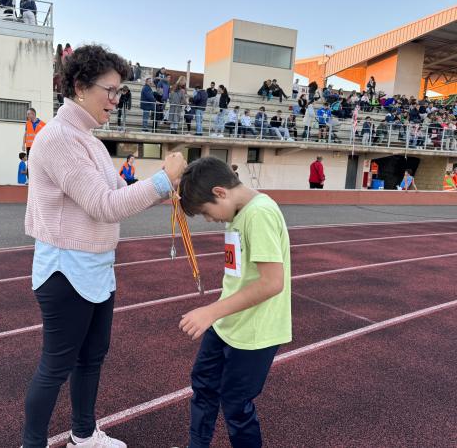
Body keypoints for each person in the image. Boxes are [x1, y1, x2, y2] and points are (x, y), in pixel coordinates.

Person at [22, 44, 187, 448]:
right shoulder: (59, 138)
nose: (116, 101)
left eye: (120, 93)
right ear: (80, 87)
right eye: (110, 91)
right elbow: (104, 205)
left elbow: (120, 191)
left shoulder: (91, 141)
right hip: (65, 269)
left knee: (92, 356)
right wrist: (163, 181)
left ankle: (83, 434)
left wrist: (167, 181)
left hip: (97, 265)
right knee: (56, 366)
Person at [178, 156, 291, 448]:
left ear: (220, 192)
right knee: (203, 387)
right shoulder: (237, 212)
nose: (209, 219)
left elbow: (271, 282)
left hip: (255, 331)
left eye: (206, 211)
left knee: (235, 404)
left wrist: (210, 311)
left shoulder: (259, 213)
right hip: (227, 322)